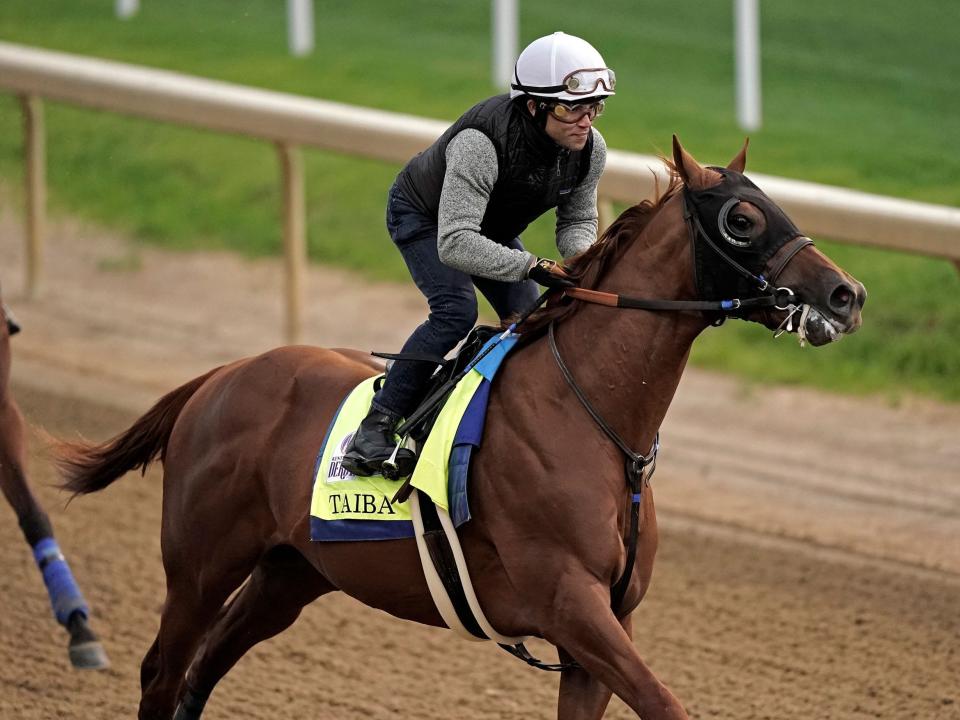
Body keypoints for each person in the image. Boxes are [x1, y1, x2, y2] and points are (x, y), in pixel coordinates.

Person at [341, 31, 615, 477]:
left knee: (530, 320)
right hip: (428, 220)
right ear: (534, 106)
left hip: (487, 228)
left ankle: (484, 416)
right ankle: (380, 421)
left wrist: (583, 260)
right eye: (571, 108)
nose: (586, 121)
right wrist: (532, 265)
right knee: (455, 310)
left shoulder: (589, 150)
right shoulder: (481, 143)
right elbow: (455, 243)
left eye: (594, 107)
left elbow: (576, 222)